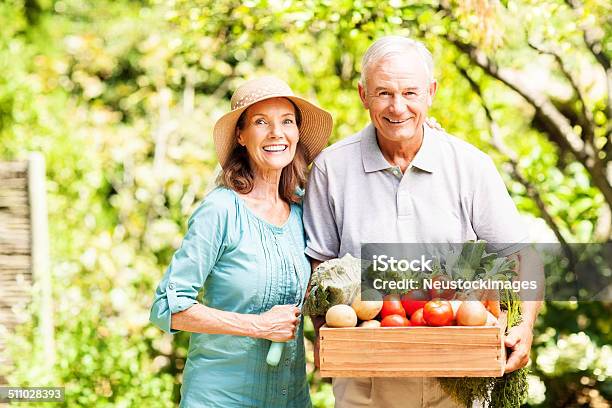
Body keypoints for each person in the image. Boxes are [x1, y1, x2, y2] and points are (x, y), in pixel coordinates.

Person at [303, 36, 542, 407]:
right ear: (363, 94)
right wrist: (331, 338)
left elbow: (521, 255)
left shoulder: (469, 165)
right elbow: (320, 267)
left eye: (410, 92)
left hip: (458, 377)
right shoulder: (332, 169)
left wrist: (524, 328)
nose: (397, 107)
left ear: (430, 92)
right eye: (383, 93)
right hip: (366, 380)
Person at [150, 76, 333, 407]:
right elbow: (168, 307)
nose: (276, 132)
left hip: (289, 398)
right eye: (261, 122)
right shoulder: (221, 210)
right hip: (219, 398)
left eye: (286, 121)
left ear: (295, 133)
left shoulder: (303, 211)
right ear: (241, 136)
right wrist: (258, 326)